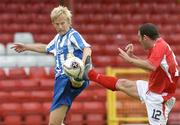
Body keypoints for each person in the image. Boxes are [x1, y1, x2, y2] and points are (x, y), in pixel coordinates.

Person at [81, 23, 179, 125]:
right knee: (123, 83)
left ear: (145, 37)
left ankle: (165, 104)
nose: (139, 40)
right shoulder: (158, 46)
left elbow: (151, 66)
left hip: (159, 97)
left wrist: (129, 60)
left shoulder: (159, 46)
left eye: (139, 37)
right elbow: (150, 67)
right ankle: (90, 74)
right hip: (153, 89)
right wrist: (132, 57)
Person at [11, 5, 92, 125]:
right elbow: (45, 48)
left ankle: (77, 78)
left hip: (67, 78)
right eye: (57, 24)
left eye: (63, 23)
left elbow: (87, 48)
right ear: (53, 24)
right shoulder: (57, 39)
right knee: (59, 122)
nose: (60, 27)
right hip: (61, 81)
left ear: (69, 22)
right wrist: (26, 47)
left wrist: (84, 65)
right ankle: (77, 80)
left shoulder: (72, 35)